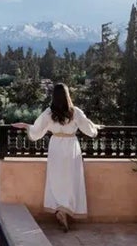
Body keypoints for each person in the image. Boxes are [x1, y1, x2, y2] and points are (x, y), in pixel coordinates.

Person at [12, 83, 102, 232]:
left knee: (56, 178)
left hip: (56, 148)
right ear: (67, 96)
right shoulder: (75, 112)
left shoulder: (49, 113)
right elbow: (89, 129)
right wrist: (95, 128)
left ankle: (60, 209)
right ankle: (66, 209)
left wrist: (26, 126)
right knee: (71, 178)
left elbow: (36, 129)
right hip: (71, 146)